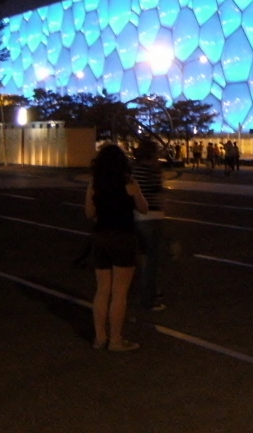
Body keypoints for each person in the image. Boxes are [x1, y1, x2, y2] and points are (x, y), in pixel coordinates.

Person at [85, 144, 149, 351]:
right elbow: (143, 208)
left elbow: (89, 213)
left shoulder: (94, 183)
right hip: (123, 236)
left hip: (101, 236)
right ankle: (115, 340)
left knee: (102, 290)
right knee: (120, 292)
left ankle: (99, 338)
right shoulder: (129, 183)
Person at [131, 138, 166, 312]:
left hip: (137, 217)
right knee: (154, 261)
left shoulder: (135, 171)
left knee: (143, 259)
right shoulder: (154, 171)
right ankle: (151, 299)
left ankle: (143, 295)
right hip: (153, 216)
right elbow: (158, 193)